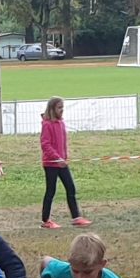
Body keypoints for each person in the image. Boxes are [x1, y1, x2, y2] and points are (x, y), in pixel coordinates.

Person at [39, 96, 87, 228]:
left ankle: (76, 217)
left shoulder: (61, 123)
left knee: (70, 188)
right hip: (51, 164)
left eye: (62, 107)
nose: (62, 110)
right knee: (51, 191)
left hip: (62, 163)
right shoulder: (47, 125)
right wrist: (56, 158)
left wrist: (64, 157)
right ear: (52, 109)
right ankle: (45, 220)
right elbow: (45, 144)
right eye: (59, 108)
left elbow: (62, 143)